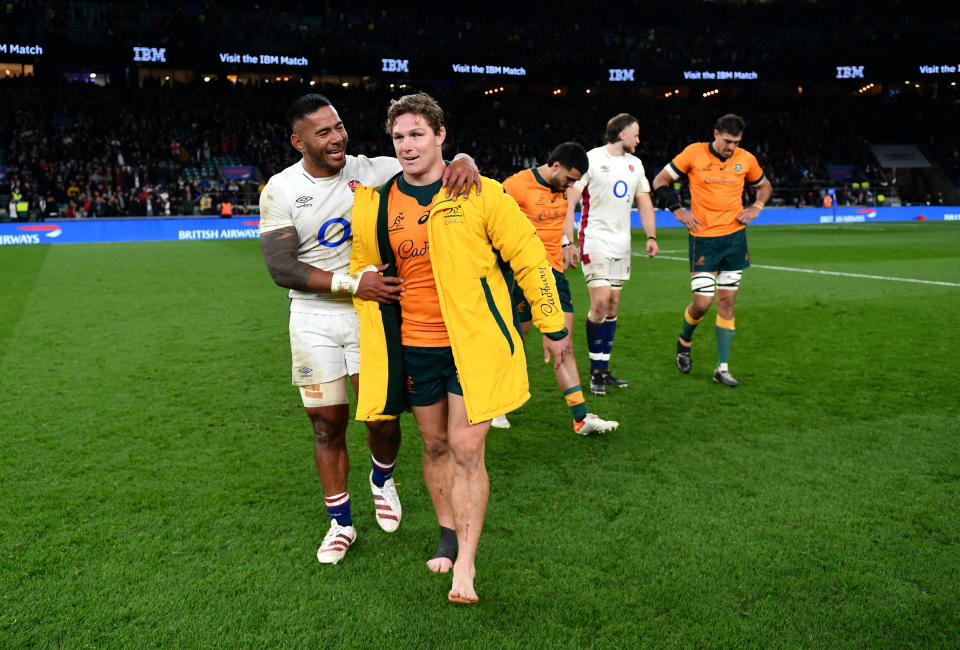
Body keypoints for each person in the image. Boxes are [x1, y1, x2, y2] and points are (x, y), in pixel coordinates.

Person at [350, 93, 571, 604]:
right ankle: (447, 533)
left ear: (441, 137)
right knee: (434, 446)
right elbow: (365, 264)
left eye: (417, 134)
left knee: (468, 449)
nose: (407, 145)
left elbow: (527, 256)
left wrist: (551, 321)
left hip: (475, 344)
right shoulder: (379, 202)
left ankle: (465, 567)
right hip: (415, 346)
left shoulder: (479, 192)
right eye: (399, 136)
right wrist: (366, 280)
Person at [258, 93, 480, 565]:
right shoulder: (280, 189)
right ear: (299, 142)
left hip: (370, 315)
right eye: (324, 132)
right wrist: (353, 283)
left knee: (380, 416)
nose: (338, 137)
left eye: (338, 126)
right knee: (326, 424)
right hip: (314, 316)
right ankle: (340, 524)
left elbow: (429, 161)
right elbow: (281, 267)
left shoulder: (371, 169)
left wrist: (464, 158)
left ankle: (382, 478)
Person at [498, 142, 618, 435]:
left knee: (563, 343)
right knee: (513, 344)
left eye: (576, 181)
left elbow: (559, 223)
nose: (572, 185)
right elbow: (490, 224)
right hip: (521, 276)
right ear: (554, 166)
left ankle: (581, 417)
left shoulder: (563, 189)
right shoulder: (515, 186)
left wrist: (565, 244)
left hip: (554, 276)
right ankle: (496, 405)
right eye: (570, 178)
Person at [651, 113, 773, 387]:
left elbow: (764, 186)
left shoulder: (746, 159)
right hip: (703, 238)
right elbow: (660, 181)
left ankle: (722, 367)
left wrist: (756, 207)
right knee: (703, 303)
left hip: (734, 239)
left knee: (726, 302)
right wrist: (677, 210)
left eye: (736, 142)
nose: (731, 147)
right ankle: (684, 340)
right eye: (728, 141)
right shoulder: (694, 153)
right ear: (716, 133)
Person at [565, 114, 659, 396]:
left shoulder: (636, 165)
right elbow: (569, 201)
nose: (639, 140)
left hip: (622, 244)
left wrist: (651, 236)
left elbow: (644, 204)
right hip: (595, 240)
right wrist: (566, 241)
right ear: (620, 135)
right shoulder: (591, 159)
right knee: (601, 302)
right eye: (635, 134)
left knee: (613, 307)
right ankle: (595, 373)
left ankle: (603, 369)